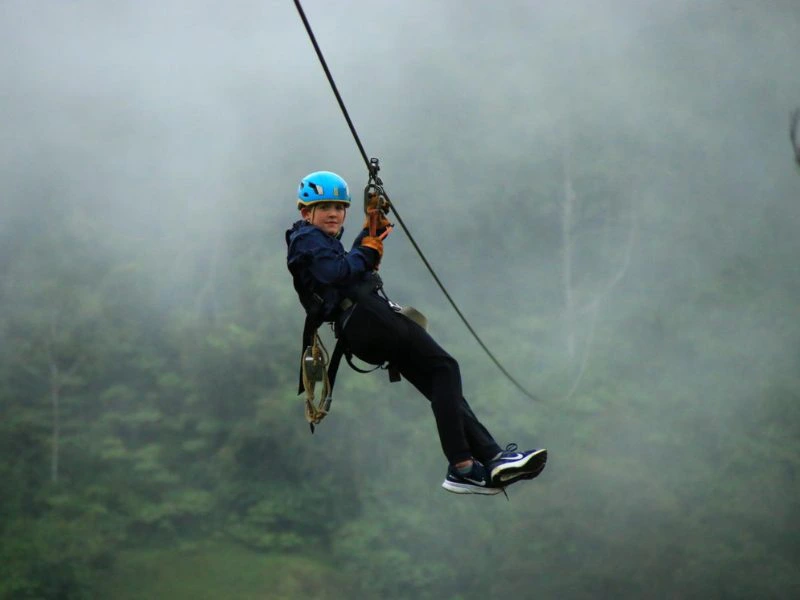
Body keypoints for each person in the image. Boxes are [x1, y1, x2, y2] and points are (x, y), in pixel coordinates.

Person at [285, 170, 547, 495]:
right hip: (369, 320)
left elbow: (346, 266)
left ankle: (484, 461)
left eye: (340, 208)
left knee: (441, 384)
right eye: (326, 207)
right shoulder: (306, 239)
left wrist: (370, 232)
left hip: (364, 327)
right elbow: (336, 273)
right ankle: (467, 464)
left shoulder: (318, 243)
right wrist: (366, 250)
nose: (335, 214)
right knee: (444, 369)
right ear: (305, 212)